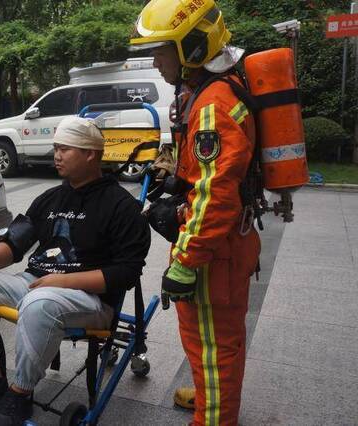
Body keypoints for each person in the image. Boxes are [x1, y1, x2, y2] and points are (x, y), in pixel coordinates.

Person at [0, 116, 150, 426]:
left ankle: (19, 393)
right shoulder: (51, 198)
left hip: (90, 298)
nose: (57, 155)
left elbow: (126, 273)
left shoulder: (121, 206)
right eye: (55, 148)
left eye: (65, 149)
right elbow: (15, 241)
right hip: (36, 284)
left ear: (91, 153)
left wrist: (63, 281)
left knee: (40, 303)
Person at [130, 1, 261, 425]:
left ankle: (214, 416)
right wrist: (173, 175)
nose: (155, 60)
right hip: (223, 246)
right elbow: (206, 173)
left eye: (161, 51)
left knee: (213, 346)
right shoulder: (209, 90)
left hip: (212, 253)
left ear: (192, 47)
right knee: (215, 342)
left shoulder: (212, 105)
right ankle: (211, 398)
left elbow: (215, 195)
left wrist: (185, 262)